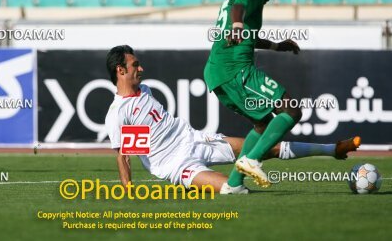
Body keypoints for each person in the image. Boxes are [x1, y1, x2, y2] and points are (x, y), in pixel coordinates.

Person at [105, 45, 360, 194]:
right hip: (175, 164)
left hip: (194, 139)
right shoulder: (119, 113)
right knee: (233, 190)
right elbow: (124, 156)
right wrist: (130, 192)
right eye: (135, 64)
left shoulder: (145, 90)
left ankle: (333, 149)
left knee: (267, 148)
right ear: (120, 70)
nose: (141, 69)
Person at [204, 0, 304, 191]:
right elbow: (238, 9)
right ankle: (252, 160)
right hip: (235, 69)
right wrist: (237, 23)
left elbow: (247, 34)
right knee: (291, 110)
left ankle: (233, 184)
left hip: (218, 73)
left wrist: (277, 47)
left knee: (262, 124)